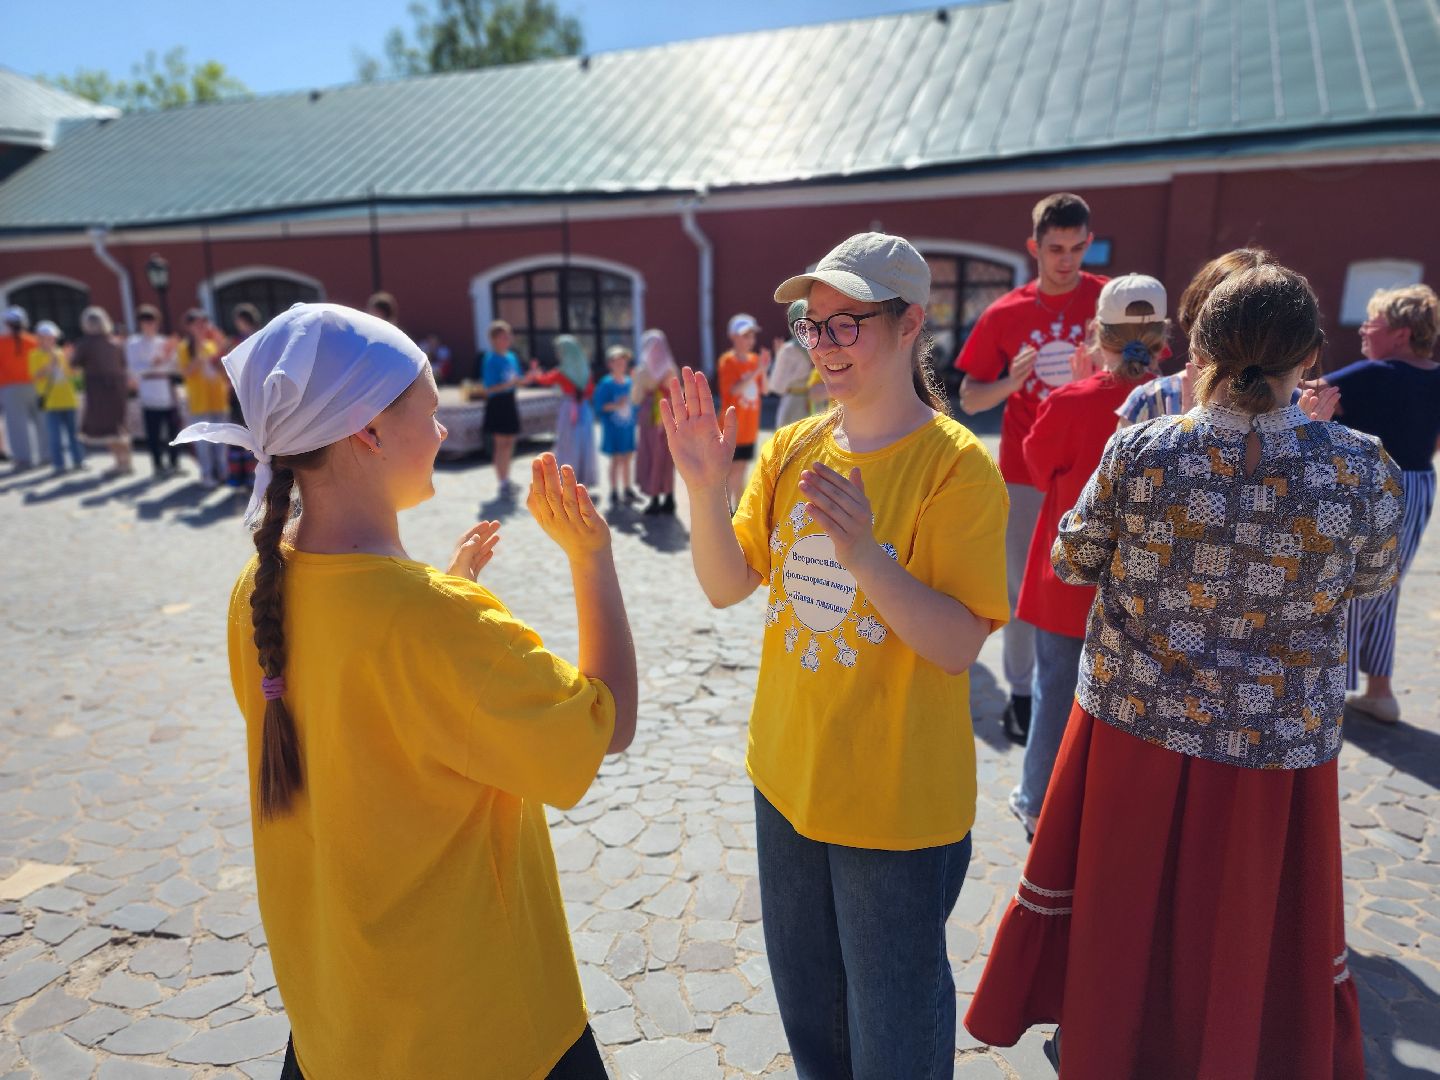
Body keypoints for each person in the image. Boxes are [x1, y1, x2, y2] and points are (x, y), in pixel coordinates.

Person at [172, 303, 636, 1079]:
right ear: (367, 432)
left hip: (338, 1018)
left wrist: (443, 597)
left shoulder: (260, 586)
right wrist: (592, 558)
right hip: (477, 1027)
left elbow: (361, 710)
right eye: (428, 411)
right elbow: (606, 722)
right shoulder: (436, 622)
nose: (444, 430)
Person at [965, 264, 1399, 1080]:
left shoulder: (1146, 450)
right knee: (1242, 921)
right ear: (1309, 357)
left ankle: (1106, 1042)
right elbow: (1372, 576)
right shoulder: (1357, 466)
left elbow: (1072, 557)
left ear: (1196, 349)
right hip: (1276, 741)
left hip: (1138, 725)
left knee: (1126, 905)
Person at [664, 233, 1009, 1078]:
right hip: (785, 778)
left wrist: (866, 556)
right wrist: (706, 485)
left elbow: (959, 641)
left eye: (844, 325)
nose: (821, 346)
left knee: (893, 1032)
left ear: (908, 325)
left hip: (893, 802)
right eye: (811, 327)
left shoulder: (956, 469)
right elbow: (725, 584)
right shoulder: (790, 448)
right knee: (815, 1018)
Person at [1007, 274, 1167, 839]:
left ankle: (1036, 799)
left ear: (1098, 335)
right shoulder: (1175, 402)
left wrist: (1076, 390)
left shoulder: (1070, 401)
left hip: (1069, 578)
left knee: (1054, 690)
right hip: (1142, 582)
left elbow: (1035, 465)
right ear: (1162, 340)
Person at [956, 193, 1108, 743]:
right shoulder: (1007, 312)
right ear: (1034, 248)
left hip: (1097, 472)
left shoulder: (1108, 302)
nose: (1065, 260)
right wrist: (1010, 385)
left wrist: (1103, 369)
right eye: (1054, 249)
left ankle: (1087, 694)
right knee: (1020, 588)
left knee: (1095, 584)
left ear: (1088, 243)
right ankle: (1021, 695)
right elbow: (971, 399)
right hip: (1024, 472)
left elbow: (1144, 373)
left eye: (1075, 248)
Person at [1322, 283, 1440, 724]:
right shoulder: (1436, 376)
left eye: (1373, 322)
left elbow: (1305, 396)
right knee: (1387, 586)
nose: (1364, 330)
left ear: (1402, 333)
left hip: (1371, 486)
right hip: (1421, 484)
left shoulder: (1375, 373)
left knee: (1347, 585)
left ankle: (1329, 686)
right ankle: (1381, 691)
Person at [71, 306, 133, 476]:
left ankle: (121, 463)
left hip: (98, 389)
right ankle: (125, 462)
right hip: (117, 387)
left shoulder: (85, 344)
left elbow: (73, 365)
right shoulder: (116, 343)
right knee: (119, 425)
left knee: (108, 427)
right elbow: (124, 365)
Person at [534, 335, 599, 489]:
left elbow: (544, 380)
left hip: (568, 409)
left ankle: (567, 479)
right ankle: (583, 478)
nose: (558, 353)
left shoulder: (562, 372)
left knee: (566, 444)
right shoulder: (586, 370)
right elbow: (590, 391)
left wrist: (535, 373)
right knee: (585, 443)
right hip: (584, 409)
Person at [717, 313, 769, 503]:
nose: (750, 340)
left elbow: (765, 389)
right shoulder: (727, 361)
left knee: (741, 470)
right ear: (734, 337)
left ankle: (738, 512)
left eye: (752, 335)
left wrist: (764, 370)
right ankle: (728, 513)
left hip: (749, 426)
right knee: (732, 471)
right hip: (732, 426)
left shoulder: (755, 359)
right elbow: (735, 390)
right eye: (745, 335)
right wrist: (758, 370)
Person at [125, 305, 181, 476]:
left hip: (166, 389)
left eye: (152, 321)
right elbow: (134, 368)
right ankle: (158, 465)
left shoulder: (163, 342)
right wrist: (153, 364)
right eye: (146, 321)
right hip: (149, 391)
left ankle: (174, 463)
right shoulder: (133, 343)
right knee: (153, 432)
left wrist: (163, 362)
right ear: (141, 323)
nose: (150, 325)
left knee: (173, 430)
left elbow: (174, 366)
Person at [178, 309, 229, 487]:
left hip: (218, 399)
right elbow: (186, 372)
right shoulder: (184, 347)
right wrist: (199, 356)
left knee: (221, 439)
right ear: (189, 327)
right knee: (203, 442)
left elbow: (221, 370)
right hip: (199, 402)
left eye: (203, 323)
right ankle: (207, 474)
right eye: (197, 324)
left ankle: (223, 472)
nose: (201, 327)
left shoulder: (211, 345)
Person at [478, 319, 527, 499]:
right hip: (497, 403)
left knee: (510, 442)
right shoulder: (490, 359)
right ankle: (502, 481)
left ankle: (507, 477)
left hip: (510, 401)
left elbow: (518, 380)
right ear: (494, 339)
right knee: (500, 444)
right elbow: (489, 388)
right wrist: (510, 383)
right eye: (503, 337)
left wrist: (530, 377)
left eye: (509, 336)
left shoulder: (512, 357)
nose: (508, 339)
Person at [28, 321, 85, 473]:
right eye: (46, 337)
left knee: (74, 434)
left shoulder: (61, 353)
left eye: (52, 337)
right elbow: (36, 376)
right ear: (39, 339)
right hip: (51, 402)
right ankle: (59, 465)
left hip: (68, 398)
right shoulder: (34, 355)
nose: (50, 341)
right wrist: (50, 365)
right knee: (55, 436)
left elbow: (72, 375)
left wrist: (75, 366)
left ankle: (78, 461)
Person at [633, 329, 679, 515]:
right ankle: (669, 497)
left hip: (650, 417)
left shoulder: (642, 371)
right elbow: (678, 392)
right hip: (668, 414)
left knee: (652, 455)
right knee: (668, 457)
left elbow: (635, 398)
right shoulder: (671, 369)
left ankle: (653, 498)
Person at [593, 344, 639, 507]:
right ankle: (614, 490)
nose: (621, 365)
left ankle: (627, 487)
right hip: (613, 429)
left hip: (628, 427)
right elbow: (599, 406)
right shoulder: (606, 384)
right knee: (616, 459)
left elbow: (635, 403)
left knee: (627, 457)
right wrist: (615, 405)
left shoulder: (629, 382)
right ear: (610, 364)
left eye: (624, 362)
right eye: (618, 362)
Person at [0, 306, 43, 468]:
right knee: (42, 422)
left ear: (7, 324)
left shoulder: (1, 343)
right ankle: (46, 455)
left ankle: (23, 459)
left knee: (16, 426)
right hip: (35, 386)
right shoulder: (34, 341)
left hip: (10, 389)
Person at [226, 304, 262, 489]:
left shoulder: (259, 338)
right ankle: (237, 473)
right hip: (237, 392)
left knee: (252, 434)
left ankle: (251, 474)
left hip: (252, 392)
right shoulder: (235, 340)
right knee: (238, 433)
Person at [766, 301, 814, 430]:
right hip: (819, 403)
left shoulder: (787, 350)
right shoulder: (820, 345)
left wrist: (776, 359)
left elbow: (777, 386)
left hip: (793, 403)